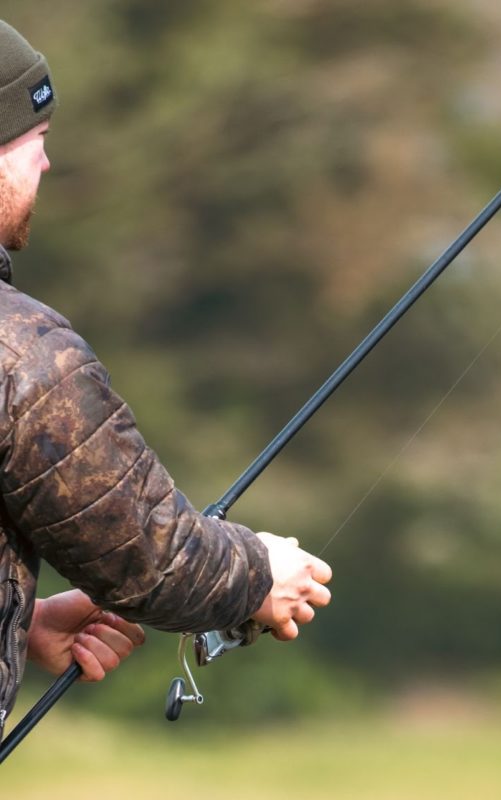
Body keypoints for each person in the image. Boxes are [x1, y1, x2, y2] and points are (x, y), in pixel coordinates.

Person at [0, 20, 332, 736]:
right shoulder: (21, 354)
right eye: (34, 140)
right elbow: (152, 559)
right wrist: (260, 573)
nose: (47, 165)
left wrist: (16, 624)